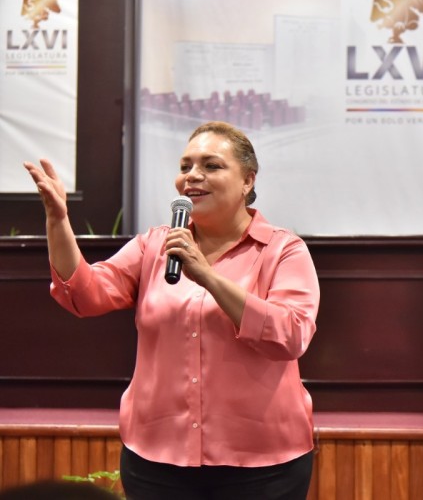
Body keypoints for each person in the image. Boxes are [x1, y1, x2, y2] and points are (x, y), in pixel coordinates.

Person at [24, 121, 320, 500]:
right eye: (185, 166)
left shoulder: (283, 250)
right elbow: (84, 295)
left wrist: (208, 276)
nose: (192, 176)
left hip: (263, 464)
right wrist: (57, 221)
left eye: (211, 165)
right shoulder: (153, 246)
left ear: (248, 180)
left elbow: (290, 335)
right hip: (157, 460)